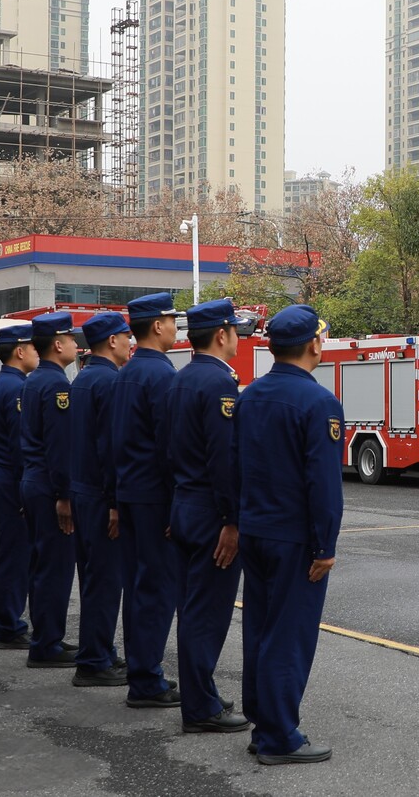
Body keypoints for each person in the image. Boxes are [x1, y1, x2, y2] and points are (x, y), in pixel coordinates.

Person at [233, 305, 343, 765]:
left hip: (255, 530)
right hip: (295, 538)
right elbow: (322, 483)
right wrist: (325, 545)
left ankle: (263, 724)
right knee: (289, 635)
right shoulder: (319, 403)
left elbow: (235, 467)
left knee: (259, 629)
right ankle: (279, 736)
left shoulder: (249, 396)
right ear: (314, 344)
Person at [168, 299, 250, 733]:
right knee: (207, 613)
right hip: (210, 515)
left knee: (191, 608)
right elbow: (224, 460)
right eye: (235, 330)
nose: (238, 336)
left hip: (183, 506)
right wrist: (232, 521)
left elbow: (167, 452)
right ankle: (200, 708)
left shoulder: (180, 379)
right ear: (221, 334)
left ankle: (202, 695)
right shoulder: (219, 384)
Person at [111, 292, 185, 708]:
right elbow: (169, 446)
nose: (175, 327)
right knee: (156, 588)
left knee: (139, 586)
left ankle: (142, 670)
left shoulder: (127, 372)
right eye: (172, 320)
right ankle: (146, 679)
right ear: (157, 326)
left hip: (131, 492)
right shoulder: (161, 375)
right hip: (155, 497)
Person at [67, 312, 132, 688]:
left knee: (94, 577)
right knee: (105, 580)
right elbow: (110, 448)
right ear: (111, 341)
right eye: (125, 337)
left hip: (82, 490)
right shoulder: (108, 381)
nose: (129, 343)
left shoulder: (84, 378)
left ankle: (100, 650)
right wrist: (114, 502)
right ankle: (93, 660)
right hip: (98, 493)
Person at [19, 313, 83, 668]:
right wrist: (64, 494)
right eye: (72, 339)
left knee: (42, 564)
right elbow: (59, 448)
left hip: (33, 480)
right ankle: (46, 644)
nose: (76, 344)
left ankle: (48, 637)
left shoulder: (35, 379)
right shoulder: (57, 385)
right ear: (58, 345)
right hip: (48, 485)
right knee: (54, 567)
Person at [0, 325, 36, 650]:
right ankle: (7, 625)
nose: (36, 352)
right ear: (19, 351)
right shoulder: (16, 388)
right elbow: (20, 445)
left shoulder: (2, 384)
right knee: (13, 557)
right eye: (32, 347)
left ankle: (2, 619)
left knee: (2, 554)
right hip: (10, 478)